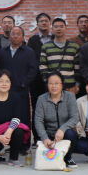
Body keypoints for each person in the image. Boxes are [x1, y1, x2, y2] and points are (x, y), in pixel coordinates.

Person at [0, 26, 37, 151]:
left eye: (18, 34)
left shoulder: (29, 52)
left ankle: (24, 146)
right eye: (13, 34)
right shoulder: (3, 51)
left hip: (21, 91)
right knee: (7, 118)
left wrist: (23, 83)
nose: (15, 36)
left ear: (23, 36)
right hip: (5, 91)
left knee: (23, 118)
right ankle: (8, 144)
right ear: (9, 36)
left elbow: (33, 70)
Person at [0, 70, 30, 166]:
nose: (4, 84)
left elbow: (17, 118)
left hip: (9, 131)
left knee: (19, 132)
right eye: (1, 81)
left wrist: (8, 132)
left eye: (7, 81)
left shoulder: (16, 98)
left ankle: (13, 158)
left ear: (10, 83)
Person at [34, 72, 80, 168]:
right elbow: (38, 121)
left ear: (62, 84)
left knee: (71, 134)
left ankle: (68, 158)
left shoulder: (70, 97)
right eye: (51, 83)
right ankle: (53, 158)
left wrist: (62, 129)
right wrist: (45, 138)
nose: (53, 86)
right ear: (47, 85)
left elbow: (74, 117)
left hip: (65, 133)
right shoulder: (41, 99)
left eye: (56, 83)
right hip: (49, 134)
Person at [27, 13, 53, 144]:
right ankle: (37, 137)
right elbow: (32, 60)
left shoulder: (55, 37)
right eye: (41, 21)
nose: (44, 23)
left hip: (54, 79)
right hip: (37, 79)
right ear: (37, 24)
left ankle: (51, 135)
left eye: (46, 21)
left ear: (50, 23)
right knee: (38, 107)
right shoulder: (32, 40)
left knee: (52, 106)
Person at [40, 17, 81, 95]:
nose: (59, 29)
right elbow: (43, 66)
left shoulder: (74, 46)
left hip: (70, 84)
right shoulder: (46, 46)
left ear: (66, 28)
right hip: (53, 85)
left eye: (61, 26)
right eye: (56, 27)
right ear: (52, 29)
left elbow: (77, 67)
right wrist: (46, 82)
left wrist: (77, 84)